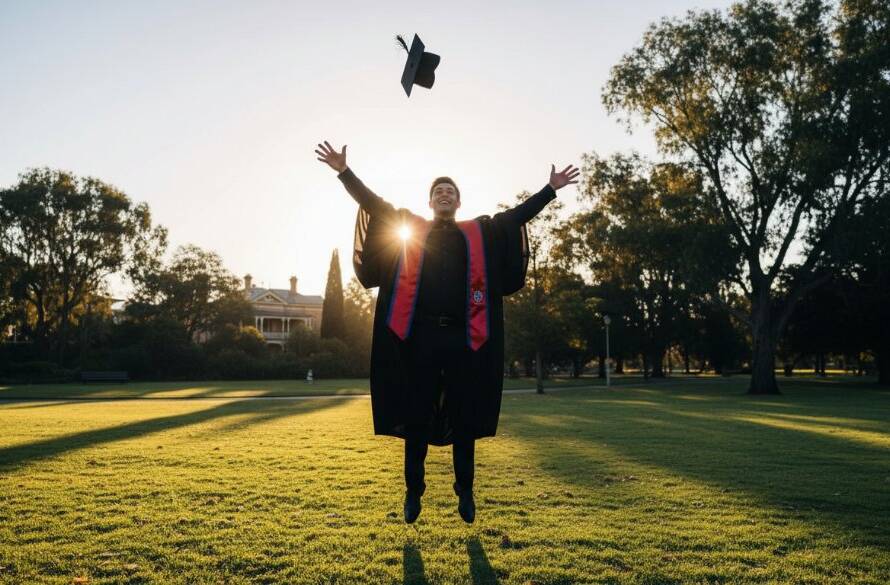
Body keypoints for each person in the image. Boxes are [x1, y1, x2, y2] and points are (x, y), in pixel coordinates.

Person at [315, 140, 578, 523]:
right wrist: (344, 172)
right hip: (417, 339)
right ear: (430, 201)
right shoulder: (409, 227)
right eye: (438, 191)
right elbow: (374, 205)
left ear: (458, 202)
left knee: (465, 416)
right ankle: (413, 491)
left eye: (450, 191)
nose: (444, 194)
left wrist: (550, 190)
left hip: (463, 340)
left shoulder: (479, 233)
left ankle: (465, 490)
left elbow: (517, 216)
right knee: (415, 418)